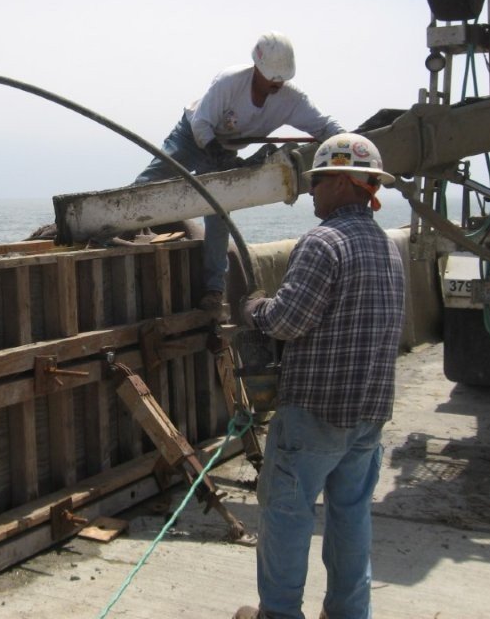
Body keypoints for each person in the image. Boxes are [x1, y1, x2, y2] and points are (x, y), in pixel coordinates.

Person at [233, 133, 405, 619]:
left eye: (318, 181)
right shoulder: (388, 247)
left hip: (315, 411)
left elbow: (287, 321)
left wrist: (253, 308)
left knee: (286, 514)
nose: (311, 191)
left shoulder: (323, 243)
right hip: (368, 414)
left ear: (344, 183)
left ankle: (280, 614)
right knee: (351, 518)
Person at [133, 32, 343, 311]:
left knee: (219, 213)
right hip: (193, 135)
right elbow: (201, 125)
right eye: (272, 76)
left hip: (225, 148)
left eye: (282, 77)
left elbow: (324, 126)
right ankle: (115, 231)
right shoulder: (229, 82)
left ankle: (213, 288)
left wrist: (351, 144)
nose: (277, 82)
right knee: (147, 185)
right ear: (257, 67)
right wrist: (218, 156)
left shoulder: (290, 100)